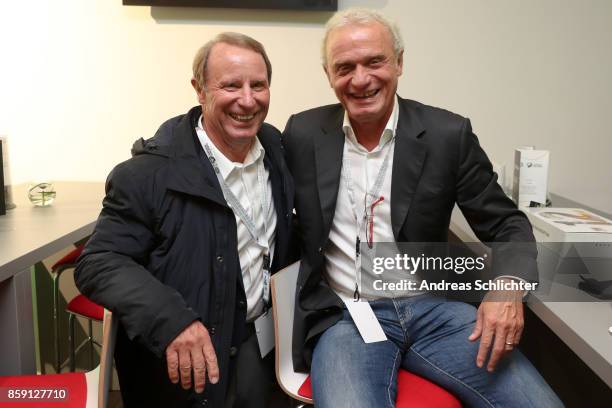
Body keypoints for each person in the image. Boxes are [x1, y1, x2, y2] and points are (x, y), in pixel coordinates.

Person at [282, 8, 562, 407]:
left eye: (374, 61)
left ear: (399, 62)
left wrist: (507, 288)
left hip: (436, 314)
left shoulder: (448, 134)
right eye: (344, 67)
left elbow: (508, 225)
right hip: (347, 318)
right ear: (328, 75)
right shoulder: (302, 132)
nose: (360, 79)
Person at [75, 32, 294, 408]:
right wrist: (172, 320)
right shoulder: (147, 175)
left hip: (260, 347)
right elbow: (99, 262)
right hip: (184, 364)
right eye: (230, 85)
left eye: (258, 85)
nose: (247, 99)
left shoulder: (276, 148)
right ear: (199, 89)